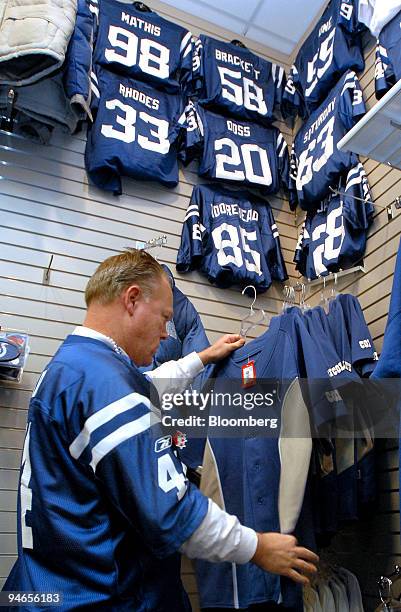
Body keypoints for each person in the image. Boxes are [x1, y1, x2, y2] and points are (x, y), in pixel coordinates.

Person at [3, 249, 318, 611]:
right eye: (165, 317)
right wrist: (258, 548)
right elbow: (174, 515)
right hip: (105, 599)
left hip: (48, 588)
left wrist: (200, 358)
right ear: (132, 299)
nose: (168, 330)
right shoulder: (107, 385)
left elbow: (145, 385)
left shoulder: (72, 368)